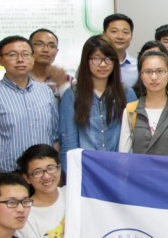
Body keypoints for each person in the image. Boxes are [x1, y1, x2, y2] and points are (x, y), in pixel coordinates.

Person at [0, 35, 59, 218]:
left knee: (44, 227)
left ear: (32, 57)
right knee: (3, 229)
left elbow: (54, 136)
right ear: (0, 60)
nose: (20, 59)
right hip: (5, 178)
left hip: (42, 178)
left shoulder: (46, 93)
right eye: (12, 54)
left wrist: (55, 172)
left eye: (25, 54)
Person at [59, 35, 137, 173]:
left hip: (119, 171)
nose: (103, 64)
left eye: (108, 58)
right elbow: (68, 142)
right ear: (86, 60)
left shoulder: (126, 93)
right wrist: (71, 174)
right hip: (86, 171)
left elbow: (134, 137)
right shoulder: (72, 95)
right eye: (96, 58)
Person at [119, 50, 168, 156]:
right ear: (140, 75)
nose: (154, 77)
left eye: (160, 71)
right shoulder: (130, 111)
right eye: (148, 72)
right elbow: (124, 156)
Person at [16, 144, 66, 238]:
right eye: (37, 172)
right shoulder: (24, 214)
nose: (46, 176)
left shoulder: (71, 195)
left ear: (59, 168)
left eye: (51, 168)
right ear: (27, 178)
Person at [29, 28, 74, 105]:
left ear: (56, 51)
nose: (45, 50)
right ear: (28, 48)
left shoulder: (69, 80)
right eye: (39, 44)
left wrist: (63, 85)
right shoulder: (20, 79)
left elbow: (77, 108)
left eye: (52, 46)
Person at [102, 13, 137, 87]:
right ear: (104, 34)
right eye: (114, 31)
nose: (120, 36)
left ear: (131, 36)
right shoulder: (93, 65)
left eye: (125, 32)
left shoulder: (138, 67)